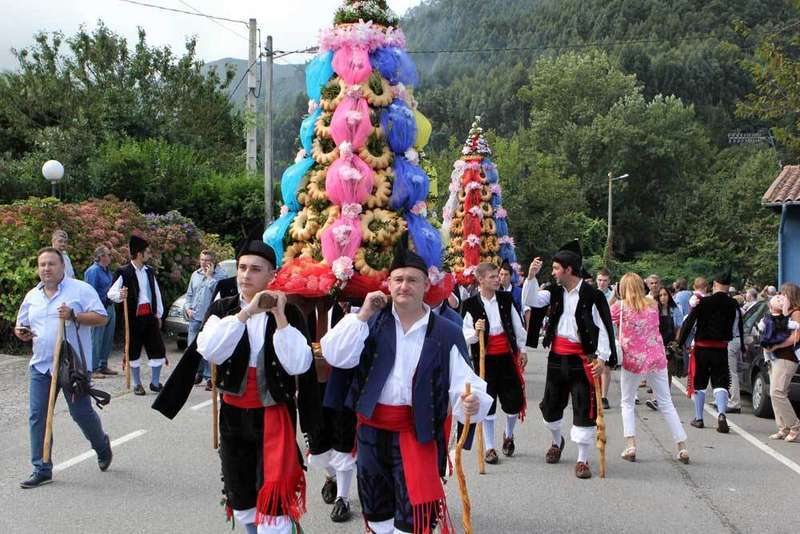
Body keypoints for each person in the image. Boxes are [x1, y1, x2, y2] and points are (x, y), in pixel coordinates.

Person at [320, 239, 491, 534]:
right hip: (372, 433)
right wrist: (362, 315)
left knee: (413, 519)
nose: (404, 286)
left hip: (419, 433)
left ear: (426, 285)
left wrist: (471, 401)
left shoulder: (447, 332)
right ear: (388, 284)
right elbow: (335, 354)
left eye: (412, 280)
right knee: (377, 513)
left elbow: (466, 382)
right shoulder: (368, 322)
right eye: (398, 279)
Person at [198, 240, 313, 534]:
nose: (246, 275)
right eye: (242, 268)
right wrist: (246, 313)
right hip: (234, 419)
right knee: (243, 499)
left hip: (274, 417)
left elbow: (299, 364)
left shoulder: (291, 313)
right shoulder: (223, 309)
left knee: (274, 505)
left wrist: (279, 316)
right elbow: (210, 349)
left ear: (271, 275)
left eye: (255, 269)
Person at [15, 247, 112, 488]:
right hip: (41, 366)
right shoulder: (32, 296)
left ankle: (101, 446)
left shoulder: (80, 289)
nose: (46, 269)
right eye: (42, 265)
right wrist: (22, 333)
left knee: (80, 413)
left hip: (72, 366)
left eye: (51, 264)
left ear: (62, 267)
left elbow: (102, 317)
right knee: (37, 416)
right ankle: (41, 467)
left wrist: (74, 315)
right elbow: (21, 325)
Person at [522, 240, 617, 479]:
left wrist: (603, 359)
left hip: (582, 359)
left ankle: (582, 460)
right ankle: (557, 441)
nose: (553, 273)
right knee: (550, 408)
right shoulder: (553, 292)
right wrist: (531, 277)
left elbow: (604, 329)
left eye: (555, 268)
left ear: (569, 270)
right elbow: (531, 300)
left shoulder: (593, 296)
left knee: (584, 408)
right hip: (556, 357)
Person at [611, 273, 689, 464]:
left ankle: (631, 445)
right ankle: (682, 446)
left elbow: (603, 316)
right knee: (666, 402)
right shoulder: (652, 304)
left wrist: (614, 294)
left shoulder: (619, 307)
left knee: (627, 402)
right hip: (656, 356)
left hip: (633, 359)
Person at [462, 262, 527, 464]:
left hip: (507, 357)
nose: (497, 279)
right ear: (480, 280)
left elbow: (517, 325)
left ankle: (508, 434)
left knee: (513, 401)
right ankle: (489, 447)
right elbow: (464, 335)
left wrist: (522, 350)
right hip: (485, 359)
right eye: (492, 277)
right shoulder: (471, 304)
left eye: (497, 276)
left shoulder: (506, 300)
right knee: (487, 402)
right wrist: (476, 331)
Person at [678, 267, 743, 433]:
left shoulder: (703, 302)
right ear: (728, 287)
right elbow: (737, 328)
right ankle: (721, 414)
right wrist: (739, 344)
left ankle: (699, 418)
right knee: (720, 381)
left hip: (702, 348)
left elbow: (689, 323)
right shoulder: (734, 305)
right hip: (721, 348)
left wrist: (680, 342)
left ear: (714, 284)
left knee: (700, 382)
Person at [107, 235, 166, 396]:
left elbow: (156, 293)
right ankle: (137, 383)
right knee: (133, 350)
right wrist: (121, 294)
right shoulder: (123, 271)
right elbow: (111, 293)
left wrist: (158, 314)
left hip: (150, 316)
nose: (149, 254)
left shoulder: (149, 271)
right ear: (139, 254)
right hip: (134, 318)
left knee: (158, 349)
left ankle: (154, 383)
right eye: (147, 252)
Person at [185, 249, 227, 389]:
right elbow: (189, 294)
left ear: (213, 261)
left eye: (207, 260)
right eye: (202, 260)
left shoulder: (221, 276)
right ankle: (198, 373)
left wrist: (209, 277)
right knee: (193, 347)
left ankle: (210, 377)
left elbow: (219, 294)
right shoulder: (195, 275)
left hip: (210, 318)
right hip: (195, 317)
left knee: (209, 347)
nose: (204, 263)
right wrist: (188, 307)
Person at [763, 284, 800, 442]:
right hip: (776, 356)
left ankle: (794, 425)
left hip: (787, 356)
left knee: (778, 392)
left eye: (783, 294)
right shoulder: (784, 313)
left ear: (790, 295)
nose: (780, 297)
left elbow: (796, 337)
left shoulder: (796, 312)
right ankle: (782, 428)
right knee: (774, 392)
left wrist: (777, 345)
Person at [645, 287, 684, 411]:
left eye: (665, 295)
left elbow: (679, 327)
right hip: (656, 343)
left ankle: (664, 397)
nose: (663, 297)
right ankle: (657, 398)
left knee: (667, 371)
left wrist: (676, 342)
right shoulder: (654, 309)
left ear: (669, 296)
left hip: (670, 343)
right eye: (660, 295)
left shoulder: (675, 310)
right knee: (655, 370)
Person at [83, 245, 118, 376]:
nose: (110, 257)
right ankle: (92, 368)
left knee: (108, 337)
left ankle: (103, 364)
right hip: (99, 308)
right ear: (101, 257)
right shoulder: (93, 271)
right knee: (96, 338)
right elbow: (90, 291)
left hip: (109, 305)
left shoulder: (107, 271)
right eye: (109, 255)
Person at [596, 268, 615, 409]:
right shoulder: (591, 294)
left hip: (608, 335)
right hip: (593, 335)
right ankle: (593, 393)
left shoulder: (612, 296)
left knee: (606, 368)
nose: (602, 283)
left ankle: (604, 396)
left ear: (609, 282)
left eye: (605, 280)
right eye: (600, 280)